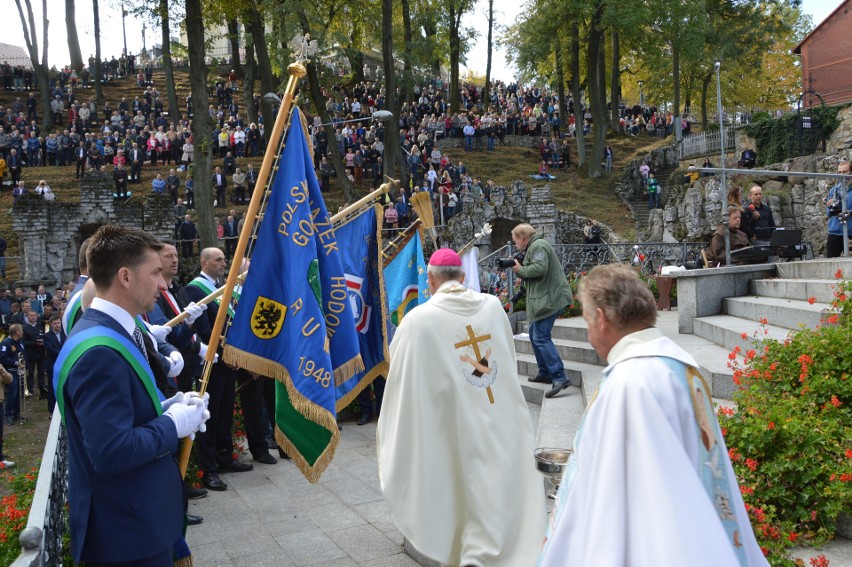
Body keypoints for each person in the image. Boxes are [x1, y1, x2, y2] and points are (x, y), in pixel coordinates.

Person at [539, 264, 768, 567]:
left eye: (586, 320)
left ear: (601, 319)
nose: (589, 332)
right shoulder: (677, 366)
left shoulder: (630, 385)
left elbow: (625, 503)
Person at [377, 248, 545, 567]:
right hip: (501, 422)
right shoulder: (494, 307)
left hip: (456, 427)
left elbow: (402, 380)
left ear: (430, 280)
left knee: (465, 502)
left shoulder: (418, 322)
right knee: (498, 498)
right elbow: (505, 360)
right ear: (463, 277)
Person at [55, 225, 209, 566]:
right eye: (155, 272)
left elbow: (124, 410)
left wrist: (168, 405)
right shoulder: (100, 350)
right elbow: (111, 451)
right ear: (125, 276)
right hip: (127, 532)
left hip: (135, 517)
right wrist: (172, 424)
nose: (164, 284)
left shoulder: (108, 329)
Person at [184, 247, 253, 491]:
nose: (224, 263)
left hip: (228, 360)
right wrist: (226, 356)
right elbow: (204, 330)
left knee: (224, 411)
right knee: (210, 415)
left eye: (224, 259)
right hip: (211, 362)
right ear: (204, 262)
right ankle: (208, 468)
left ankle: (225, 457)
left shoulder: (221, 287)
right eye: (218, 259)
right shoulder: (194, 289)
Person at [510, 223, 573, 397]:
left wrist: (520, 269)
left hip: (552, 299)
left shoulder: (538, 246)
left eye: (515, 240)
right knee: (534, 333)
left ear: (523, 238)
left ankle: (560, 377)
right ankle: (545, 373)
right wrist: (521, 272)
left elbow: (540, 268)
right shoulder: (535, 247)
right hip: (547, 298)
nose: (515, 244)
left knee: (540, 336)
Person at [826, 160, 852, 258]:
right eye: (840, 172)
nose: (842, 175)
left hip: (850, 233)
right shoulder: (834, 190)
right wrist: (830, 206)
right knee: (831, 264)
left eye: (845, 172)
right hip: (834, 233)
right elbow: (828, 214)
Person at [0, 324, 23, 427]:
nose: (22, 332)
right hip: (10, 371)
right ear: (17, 332)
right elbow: (3, 358)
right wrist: (15, 363)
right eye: (21, 330)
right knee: (11, 393)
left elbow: (23, 354)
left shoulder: (20, 343)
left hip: (19, 371)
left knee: (18, 393)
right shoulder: (6, 343)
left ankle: (16, 413)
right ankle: (8, 415)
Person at [43, 315, 65, 415]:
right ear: (51, 324)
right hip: (52, 365)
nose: (57, 325)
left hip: (64, 365)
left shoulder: (65, 334)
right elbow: (50, 349)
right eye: (55, 323)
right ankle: (51, 410)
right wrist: (64, 352)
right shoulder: (47, 336)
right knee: (52, 388)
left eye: (58, 323)